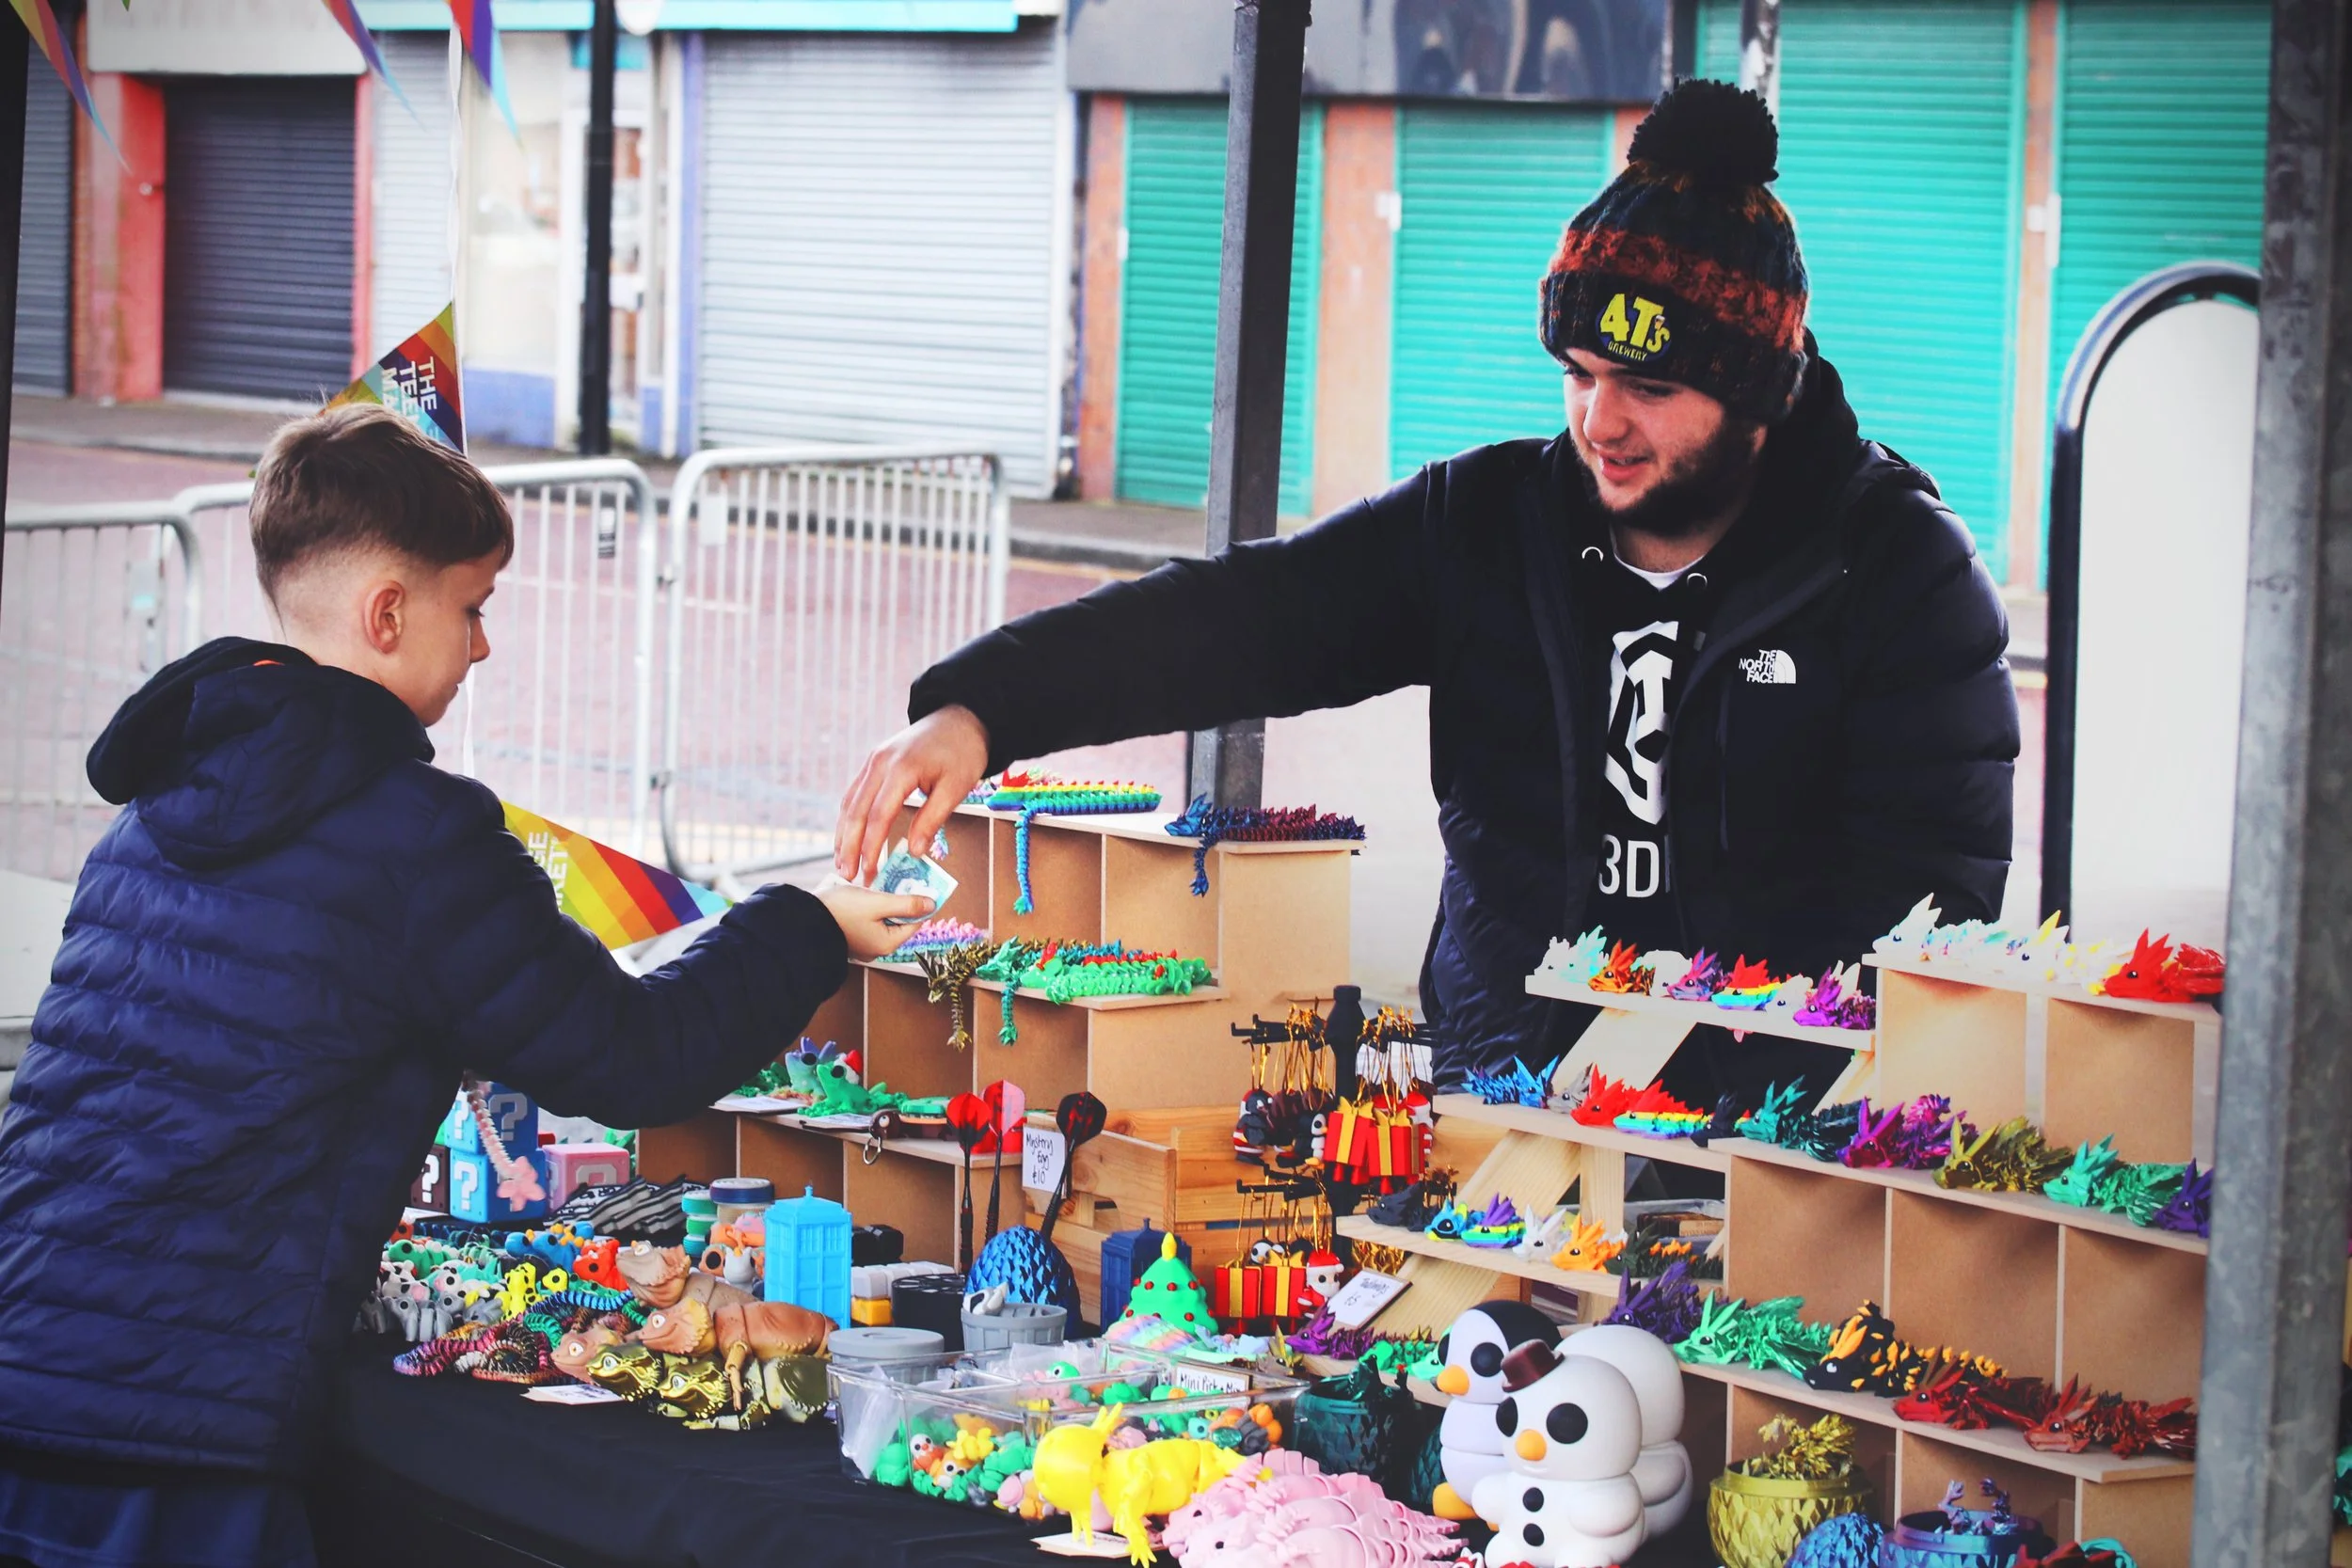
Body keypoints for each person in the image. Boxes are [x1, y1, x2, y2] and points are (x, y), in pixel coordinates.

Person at [836, 80, 2018, 1097]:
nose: (1599, 422)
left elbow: (1921, 914)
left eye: (1647, 388)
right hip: (1494, 1095)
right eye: (1580, 373)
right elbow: (1243, 617)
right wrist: (984, 707)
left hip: (1769, 1158)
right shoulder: (1489, 521)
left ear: (1756, 394)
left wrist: (1720, 1105)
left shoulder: (1899, 573)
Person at [0, 404, 929, 1568]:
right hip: (180, 1425)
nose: (484, 645)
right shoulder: (417, 835)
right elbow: (630, 1056)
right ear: (390, 611)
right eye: (473, 605)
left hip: (32, 1356)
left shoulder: (153, 814)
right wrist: (805, 925)